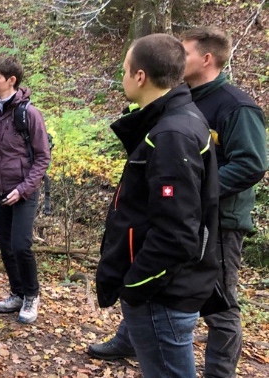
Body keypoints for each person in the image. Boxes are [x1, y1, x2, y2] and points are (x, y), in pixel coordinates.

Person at [89, 27, 268, 378]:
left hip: (212, 231)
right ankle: (132, 336)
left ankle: (219, 372)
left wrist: (135, 285)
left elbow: (250, 165)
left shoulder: (224, 110)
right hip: (176, 244)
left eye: (184, 53)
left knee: (219, 307)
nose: (179, 60)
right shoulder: (182, 107)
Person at [93, 33, 221, 378]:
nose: (122, 78)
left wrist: (135, 287)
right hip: (166, 291)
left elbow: (177, 232)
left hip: (163, 296)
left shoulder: (171, 134)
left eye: (124, 70)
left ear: (140, 76)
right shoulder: (174, 122)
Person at [0, 56, 51, 324]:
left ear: (11, 80)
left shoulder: (29, 114)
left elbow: (42, 158)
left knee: (21, 245)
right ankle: (16, 293)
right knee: (6, 247)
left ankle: (31, 296)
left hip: (23, 192)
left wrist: (25, 189)